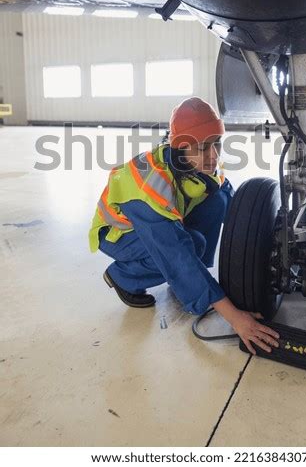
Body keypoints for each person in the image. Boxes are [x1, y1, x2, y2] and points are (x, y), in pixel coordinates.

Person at [89, 97, 279, 354]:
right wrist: (234, 317)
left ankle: (194, 282)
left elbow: (234, 206)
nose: (213, 156)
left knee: (218, 199)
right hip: (119, 235)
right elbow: (175, 254)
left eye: (216, 144)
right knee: (189, 250)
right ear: (180, 148)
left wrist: (272, 236)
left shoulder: (202, 164)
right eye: (202, 148)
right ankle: (123, 277)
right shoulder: (149, 186)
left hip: (160, 224)